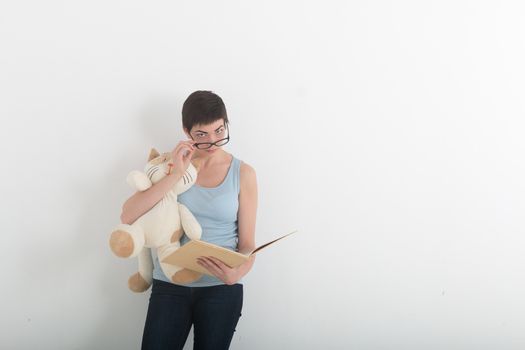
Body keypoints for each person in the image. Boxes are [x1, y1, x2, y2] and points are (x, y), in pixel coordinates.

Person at [119, 90, 258, 350]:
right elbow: (128, 214)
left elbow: (249, 244)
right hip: (170, 285)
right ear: (187, 132)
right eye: (202, 136)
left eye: (219, 131)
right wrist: (176, 173)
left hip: (221, 288)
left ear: (226, 123)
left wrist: (236, 273)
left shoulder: (244, 173)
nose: (214, 142)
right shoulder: (169, 165)